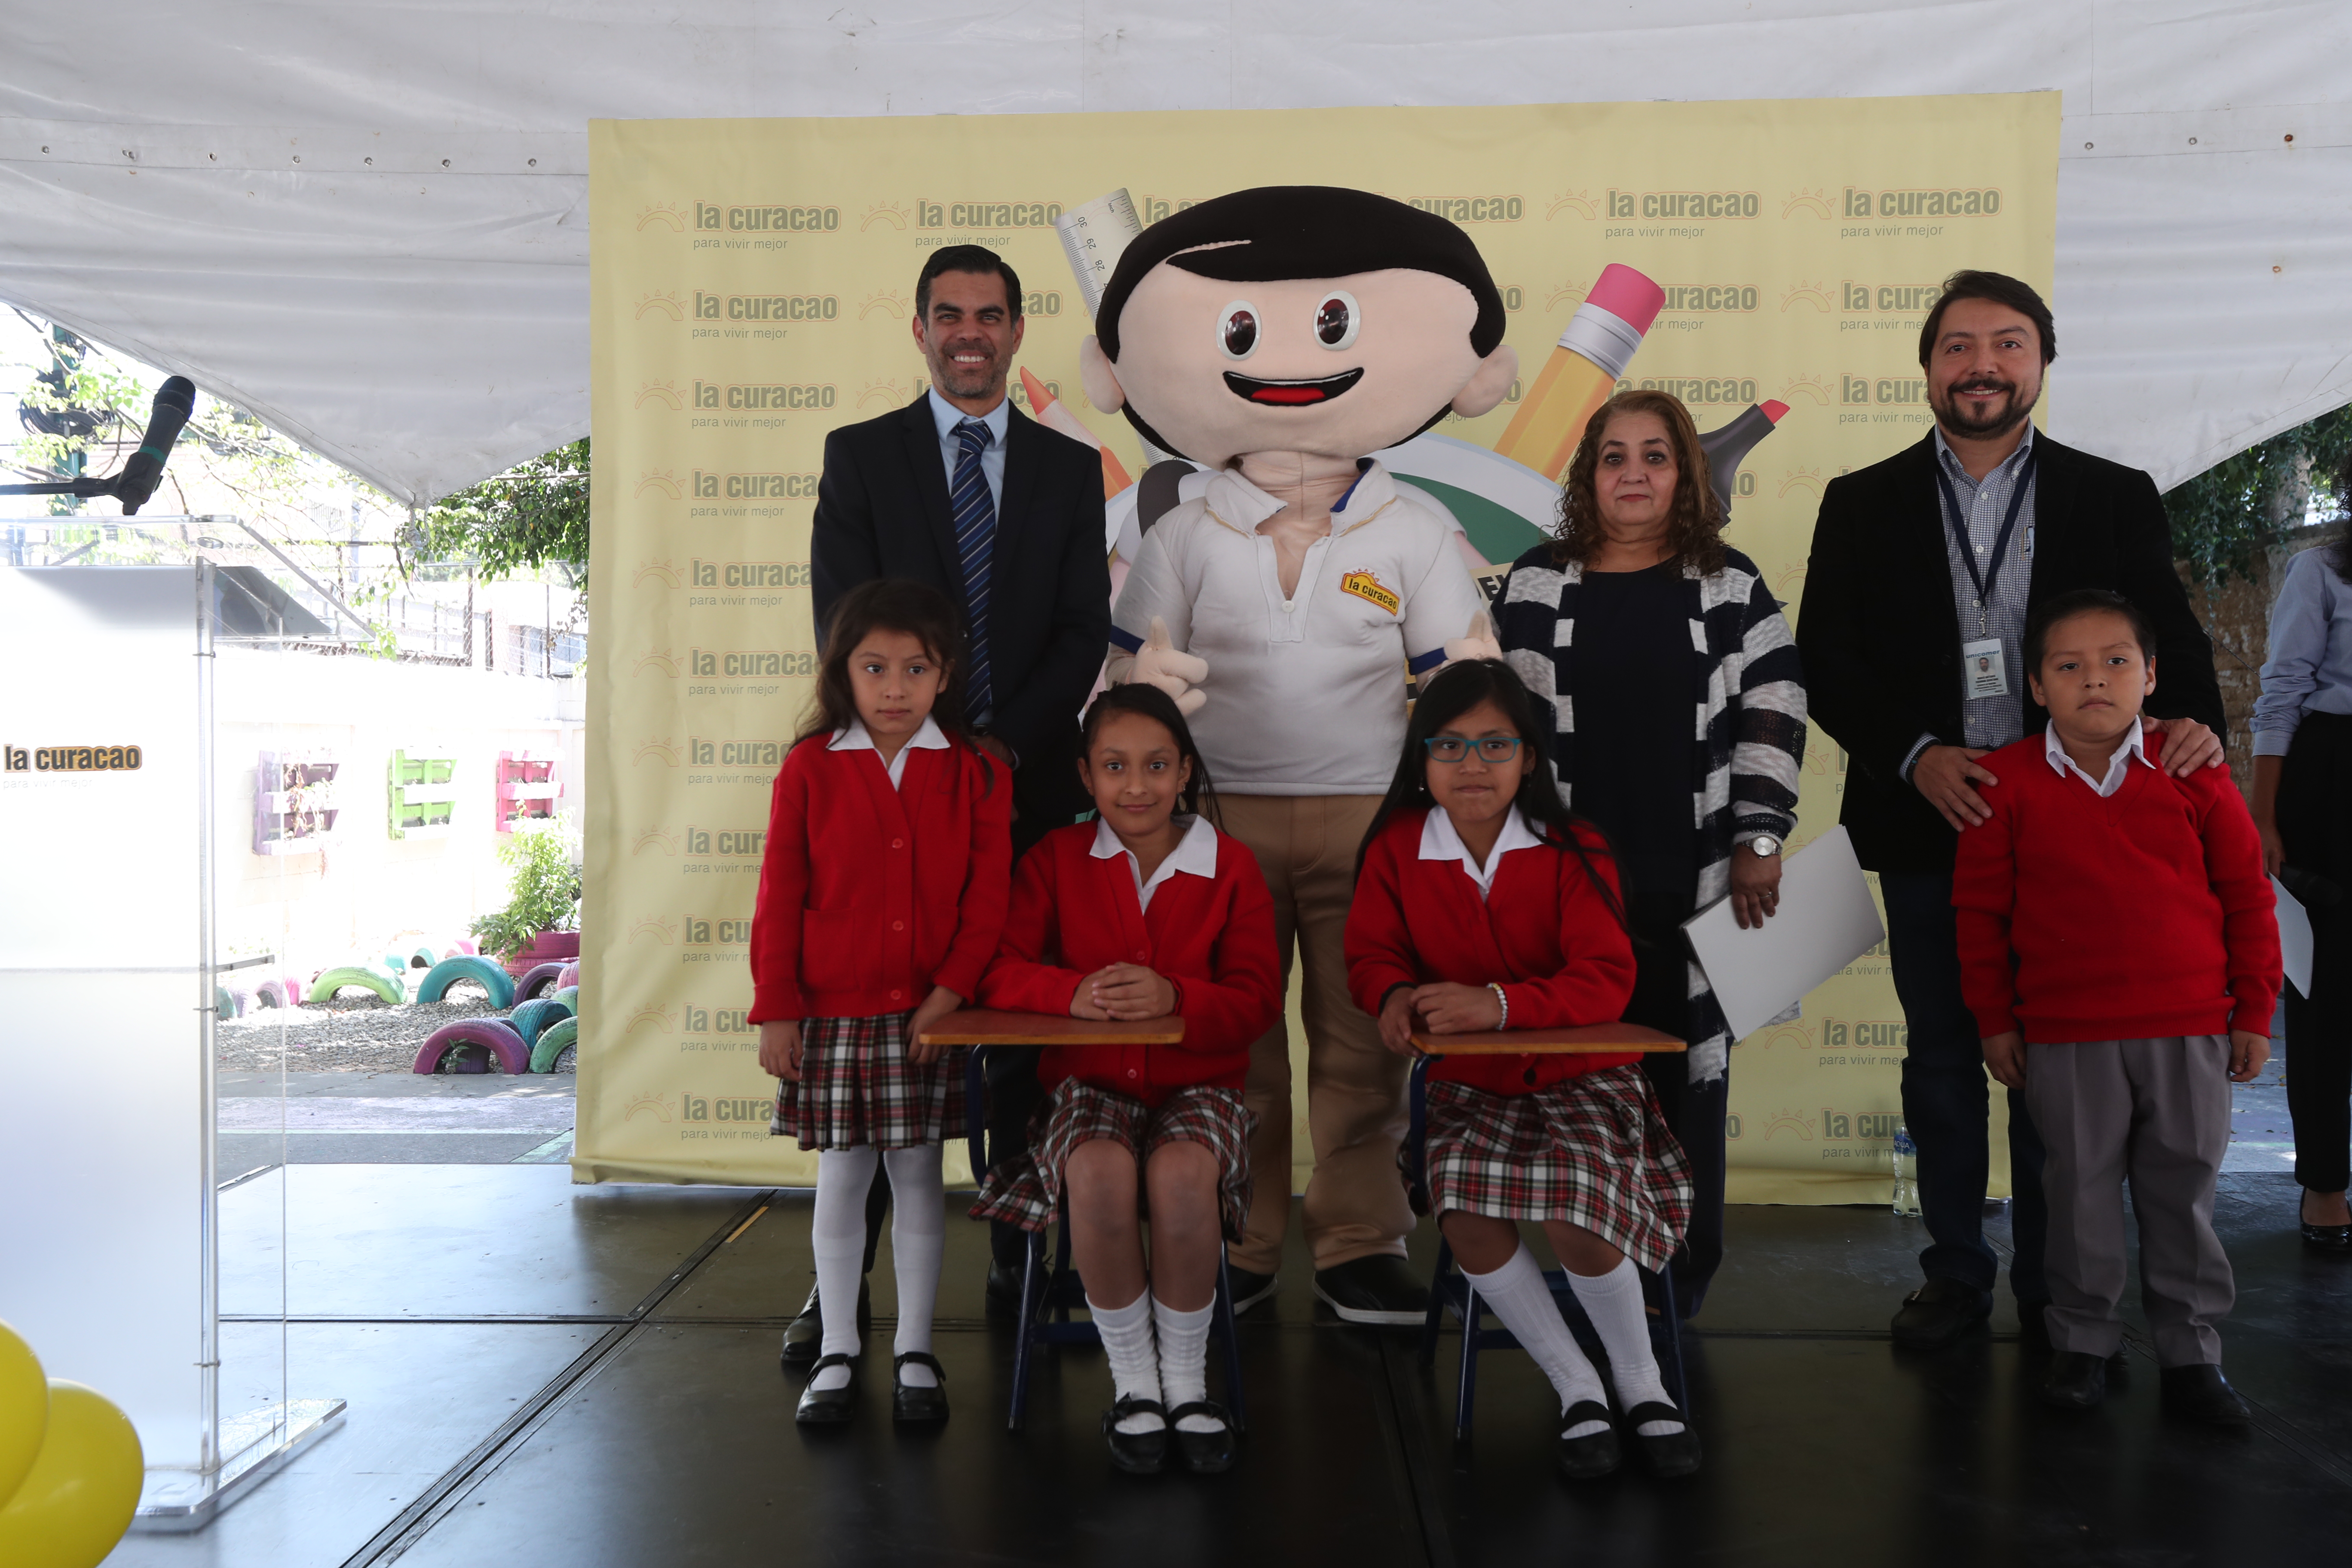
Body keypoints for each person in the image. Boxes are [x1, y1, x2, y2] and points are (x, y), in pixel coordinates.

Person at [1087, 186, 1514, 1324]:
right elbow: (1125, 680)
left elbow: (1468, 679)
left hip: (1370, 820)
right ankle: (1243, 1234)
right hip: (1213, 824)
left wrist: (1469, 719)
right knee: (1233, 1038)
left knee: (1361, 1037)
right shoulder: (1180, 530)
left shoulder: (1414, 528)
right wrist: (1143, 681)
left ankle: (1360, 1237)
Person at [1797, 270, 2229, 1350]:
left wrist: (2196, 728)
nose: (1981, 364)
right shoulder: (1862, 499)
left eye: (2006, 344)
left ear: (2042, 362)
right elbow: (1826, 663)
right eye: (1957, 346)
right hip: (1928, 818)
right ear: (1929, 365)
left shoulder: (2113, 492)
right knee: (1943, 1058)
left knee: (2060, 1063)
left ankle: (2058, 1289)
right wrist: (1914, 756)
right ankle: (1954, 1272)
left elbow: (2165, 634)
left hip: (2077, 827)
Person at [801, 243, 1110, 1347]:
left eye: (990, 315)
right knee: (888, 1041)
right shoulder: (862, 456)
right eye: (949, 314)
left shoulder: (1073, 472)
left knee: (1018, 1043)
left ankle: (1018, 1261)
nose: (969, 332)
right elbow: (847, 624)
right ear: (919, 328)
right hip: (892, 803)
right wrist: (931, 749)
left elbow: (1082, 633)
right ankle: (841, 1292)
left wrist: (994, 750)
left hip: (1021, 791)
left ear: (1018, 331)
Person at [1492, 387, 1805, 1316]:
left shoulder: (1730, 583)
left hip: (1696, 873)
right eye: (1615, 456)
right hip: (1564, 880)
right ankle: (1592, 1277)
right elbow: (1494, 726)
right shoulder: (1536, 582)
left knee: (1682, 1079)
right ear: (1589, 475)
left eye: (1657, 455)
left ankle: (1677, 1286)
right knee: (1580, 1074)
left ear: (1688, 474)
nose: (1635, 473)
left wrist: (1759, 835)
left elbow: (1775, 710)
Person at [1344, 659, 1698, 1479]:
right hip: (1469, 1086)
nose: (1472, 766)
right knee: (1463, 1199)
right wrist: (1392, 995)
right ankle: (1576, 1384)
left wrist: (1498, 1005)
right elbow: (1370, 954)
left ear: (1530, 759)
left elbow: (1606, 977)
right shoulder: (1397, 847)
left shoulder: (1577, 848)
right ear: (1421, 758)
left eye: (1495, 745)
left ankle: (1640, 1383)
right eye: (1451, 746)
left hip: (1585, 1075)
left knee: (1575, 1200)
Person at [1955, 590, 2279, 1423]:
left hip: (2190, 1028)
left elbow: (2247, 895)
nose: (2093, 680)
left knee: (2183, 1193)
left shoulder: (2193, 770)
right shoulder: (2008, 784)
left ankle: (2192, 1356)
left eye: (2116, 663)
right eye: (2068, 666)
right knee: (2079, 1197)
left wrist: (2254, 1011)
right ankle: (2084, 1344)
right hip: (2067, 1037)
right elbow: (1981, 916)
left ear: (2151, 676)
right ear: (2035, 686)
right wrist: (1995, 1019)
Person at [971, 684, 1281, 1475]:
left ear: (1184, 773)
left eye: (1155, 766)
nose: (1135, 786)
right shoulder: (1054, 860)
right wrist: (1065, 993)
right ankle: (1135, 1382)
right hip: (1089, 1091)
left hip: (1197, 1091)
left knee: (1182, 1178)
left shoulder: (1230, 865)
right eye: (1115, 767)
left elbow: (1256, 1000)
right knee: (1100, 1174)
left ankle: (1185, 1381)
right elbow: (998, 969)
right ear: (1085, 776)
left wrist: (1179, 997)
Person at [747, 580, 1013, 1425]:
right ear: (844, 673)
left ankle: (916, 1349)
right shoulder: (810, 768)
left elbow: (988, 904)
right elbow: (779, 894)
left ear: (944, 675)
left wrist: (949, 997)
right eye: (875, 668)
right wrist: (779, 1008)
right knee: (844, 1177)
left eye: (915, 668)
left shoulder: (977, 770)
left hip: (931, 1017)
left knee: (921, 1178)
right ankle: (837, 1348)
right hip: (829, 1014)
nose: (894, 688)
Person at [2251, 527, 2352, 1247]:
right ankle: (2325, 1186)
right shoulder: (2318, 570)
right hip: (2333, 783)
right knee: (2325, 992)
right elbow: (2282, 690)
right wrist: (2263, 817)